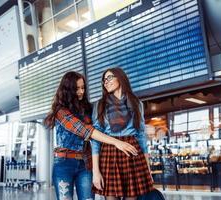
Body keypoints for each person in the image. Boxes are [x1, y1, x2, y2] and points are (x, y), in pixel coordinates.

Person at [44, 71, 138, 200]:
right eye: (77, 88)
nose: (81, 92)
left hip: (85, 163)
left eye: (83, 88)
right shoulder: (61, 112)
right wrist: (117, 142)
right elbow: (87, 131)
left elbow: (100, 133)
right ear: (67, 89)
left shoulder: (89, 109)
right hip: (64, 164)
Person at [92, 67, 154, 200]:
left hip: (133, 153)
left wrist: (147, 167)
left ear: (120, 78)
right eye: (104, 80)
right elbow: (95, 138)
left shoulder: (136, 103)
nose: (106, 82)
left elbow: (141, 135)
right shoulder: (100, 105)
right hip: (109, 152)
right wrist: (95, 171)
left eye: (109, 78)